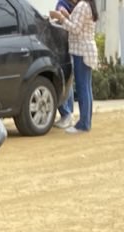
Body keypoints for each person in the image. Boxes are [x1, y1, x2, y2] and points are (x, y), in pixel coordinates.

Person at [51, 0, 97, 134]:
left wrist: (61, 18)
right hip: (85, 51)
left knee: (83, 89)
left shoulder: (82, 5)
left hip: (81, 52)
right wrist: (67, 16)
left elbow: (75, 29)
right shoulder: (87, 5)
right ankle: (86, 122)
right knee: (86, 88)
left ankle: (83, 124)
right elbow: (78, 24)